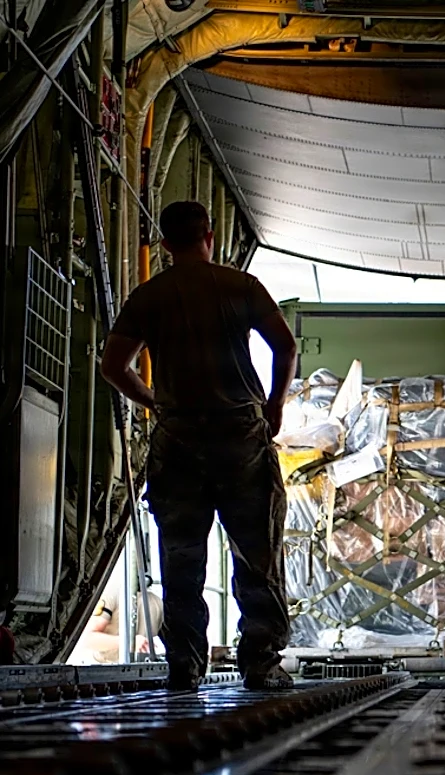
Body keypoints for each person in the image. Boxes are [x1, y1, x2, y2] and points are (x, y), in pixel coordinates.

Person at [100, 201, 297, 692]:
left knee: (182, 560)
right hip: (241, 440)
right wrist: (273, 406)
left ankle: (185, 666)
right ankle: (260, 663)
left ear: (164, 245)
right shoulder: (241, 286)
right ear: (209, 235)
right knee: (258, 555)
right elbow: (285, 346)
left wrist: (154, 402)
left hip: (179, 442)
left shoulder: (149, 296)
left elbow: (112, 366)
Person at [70, 580, 164, 664]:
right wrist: (130, 642)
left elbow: (88, 640)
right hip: (109, 669)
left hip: (129, 671)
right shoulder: (114, 594)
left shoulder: (156, 602)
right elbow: (88, 639)